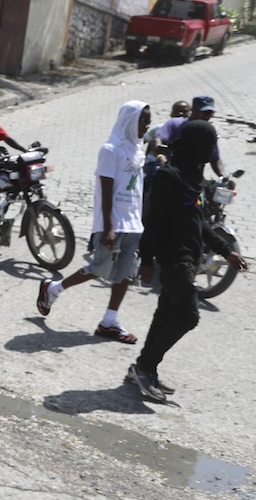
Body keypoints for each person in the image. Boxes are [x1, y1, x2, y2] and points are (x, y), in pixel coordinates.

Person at [131, 120, 248, 402]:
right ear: (196, 146)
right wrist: (146, 261)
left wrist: (226, 251)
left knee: (166, 314)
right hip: (174, 258)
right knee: (187, 315)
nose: (212, 151)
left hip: (189, 257)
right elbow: (152, 221)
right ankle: (146, 367)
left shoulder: (192, 177)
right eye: (209, 146)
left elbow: (201, 223)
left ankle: (143, 367)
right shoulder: (167, 177)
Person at [36, 101, 152, 342]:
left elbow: (137, 191)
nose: (146, 125)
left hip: (133, 223)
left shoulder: (138, 150)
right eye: (143, 120)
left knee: (125, 273)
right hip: (113, 222)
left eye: (148, 121)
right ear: (130, 120)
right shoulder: (111, 150)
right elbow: (106, 190)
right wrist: (108, 227)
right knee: (99, 268)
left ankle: (109, 322)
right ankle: (53, 288)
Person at [153, 95, 225, 177]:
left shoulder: (207, 131)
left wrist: (223, 177)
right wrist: (161, 159)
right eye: (204, 112)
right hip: (169, 174)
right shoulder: (175, 123)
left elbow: (215, 158)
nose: (207, 116)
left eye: (210, 113)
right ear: (193, 111)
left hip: (193, 178)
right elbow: (156, 141)